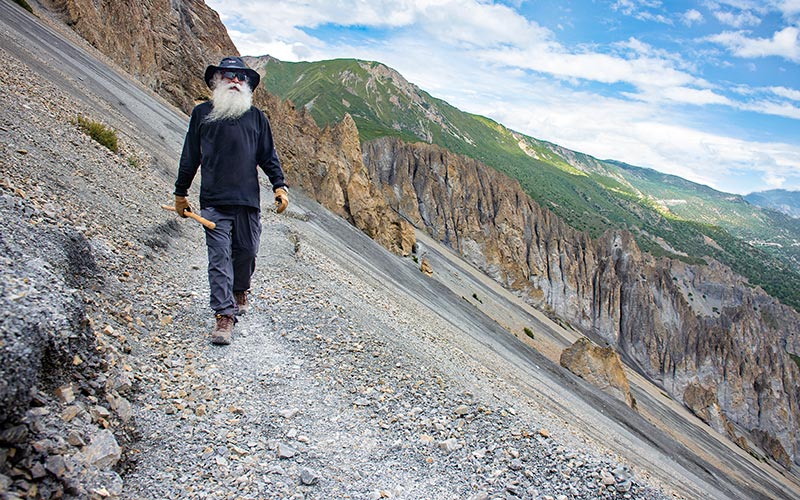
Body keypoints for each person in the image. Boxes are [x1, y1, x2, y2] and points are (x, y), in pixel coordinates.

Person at [173, 56, 289, 345]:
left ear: (247, 83)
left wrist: (279, 186)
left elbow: (267, 155)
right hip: (214, 201)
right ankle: (224, 315)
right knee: (219, 258)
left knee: (247, 251)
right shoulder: (202, 114)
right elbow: (190, 157)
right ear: (217, 80)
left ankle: (240, 288)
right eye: (229, 75)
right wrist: (180, 193)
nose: (236, 81)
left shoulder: (256, 117)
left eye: (241, 77)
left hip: (248, 200)